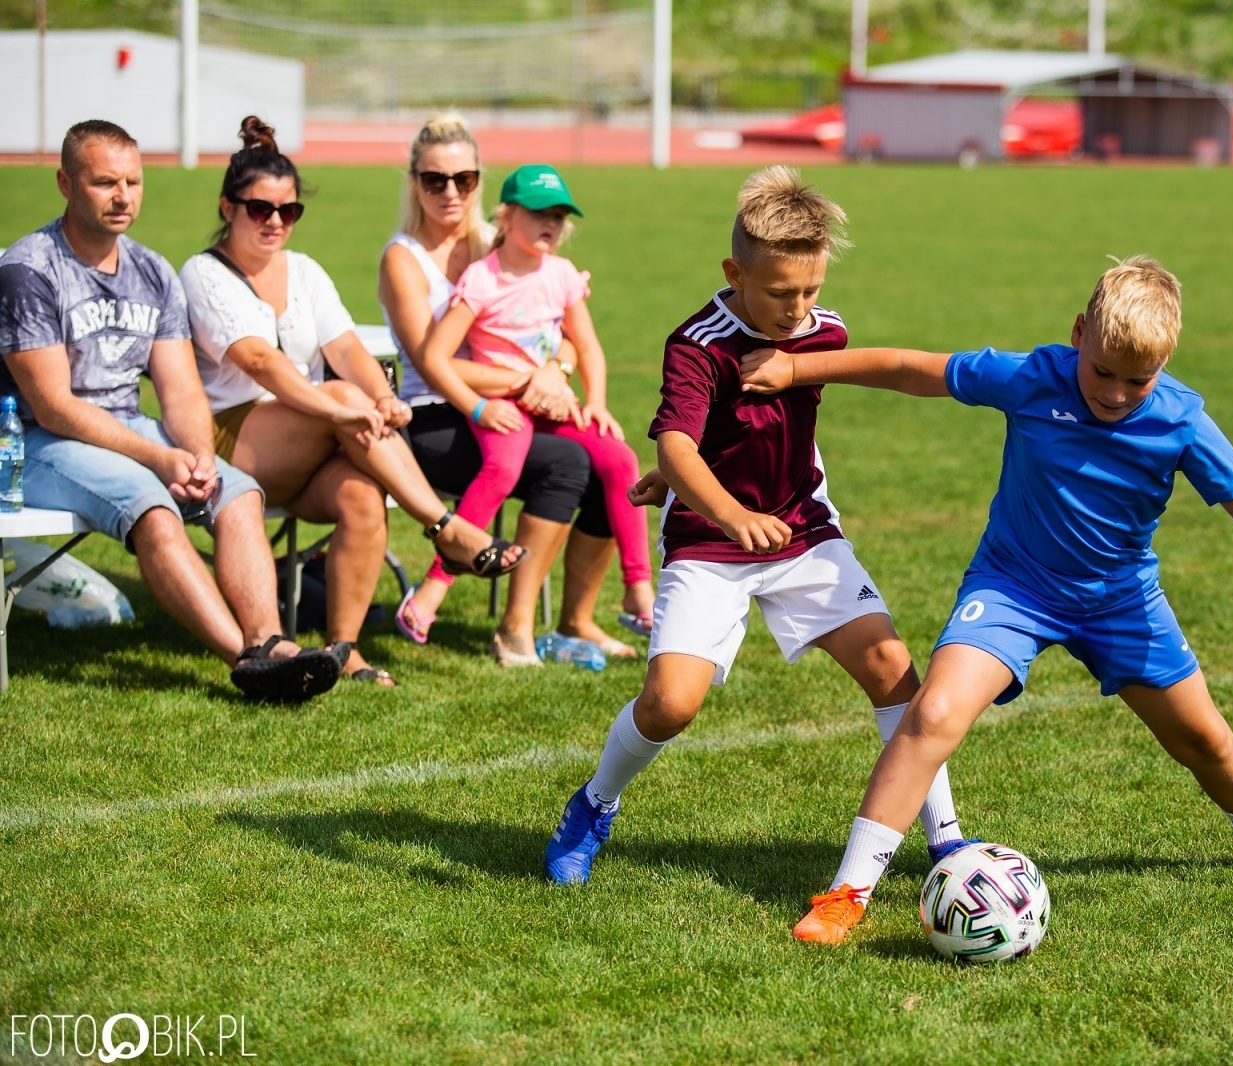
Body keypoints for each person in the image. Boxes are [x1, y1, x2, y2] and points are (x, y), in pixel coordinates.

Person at [736, 255, 1233, 945]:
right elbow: (908, 366)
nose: (1115, 392)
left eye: (1139, 380)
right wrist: (796, 369)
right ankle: (846, 893)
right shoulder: (1029, 378)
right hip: (1013, 589)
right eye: (1103, 371)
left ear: (1165, 364)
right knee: (935, 713)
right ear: (1079, 333)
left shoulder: (1180, 419)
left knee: (1203, 738)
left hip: (1122, 601)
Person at [542, 167, 971, 886]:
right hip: (711, 544)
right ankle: (592, 805)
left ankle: (947, 841)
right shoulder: (697, 343)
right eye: (780, 293)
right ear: (734, 273)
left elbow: (765, 426)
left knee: (895, 673)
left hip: (803, 532)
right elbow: (677, 443)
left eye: (811, 290)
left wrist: (734, 471)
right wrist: (726, 509)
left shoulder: (822, 330)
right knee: (671, 703)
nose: (799, 308)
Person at [0, 119, 341, 701]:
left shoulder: (153, 271)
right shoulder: (28, 271)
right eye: (104, 182)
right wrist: (159, 457)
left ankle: (272, 643)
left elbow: (181, 391)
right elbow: (54, 406)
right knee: (152, 506)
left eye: (132, 182)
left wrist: (199, 456)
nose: (122, 196)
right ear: (64, 183)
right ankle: (246, 661)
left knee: (237, 492)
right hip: (34, 443)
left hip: (125, 430)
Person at [180, 117, 526, 686]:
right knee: (340, 393)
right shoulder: (204, 272)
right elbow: (260, 362)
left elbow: (345, 347)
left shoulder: (306, 272)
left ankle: (346, 650)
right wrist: (342, 405)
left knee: (364, 495)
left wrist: (384, 398)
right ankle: (446, 527)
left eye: (288, 211)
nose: (274, 223)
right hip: (230, 444)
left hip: (310, 439)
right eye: (258, 209)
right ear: (226, 207)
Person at [377, 116, 648, 666]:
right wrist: (531, 380)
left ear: (480, 183)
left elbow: (566, 338)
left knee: (609, 463)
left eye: (464, 178)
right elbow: (437, 365)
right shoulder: (405, 259)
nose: (450, 191)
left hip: (518, 404)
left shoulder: (509, 247)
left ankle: (578, 619)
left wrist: (558, 374)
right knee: (568, 463)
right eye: (435, 180)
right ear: (415, 182)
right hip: (436, 414)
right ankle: (513, 625)